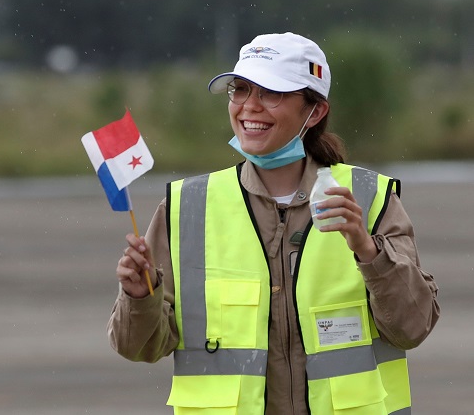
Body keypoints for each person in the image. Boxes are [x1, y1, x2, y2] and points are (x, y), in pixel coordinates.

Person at [107, 32, 439, 414]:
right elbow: (139, 347)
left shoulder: (372, 198)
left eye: (271, 93)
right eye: (241, 90)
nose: (249, 107)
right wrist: (138, 296)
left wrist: (368, 250)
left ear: (314, 112)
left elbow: (412, 328)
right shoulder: (186, 208)